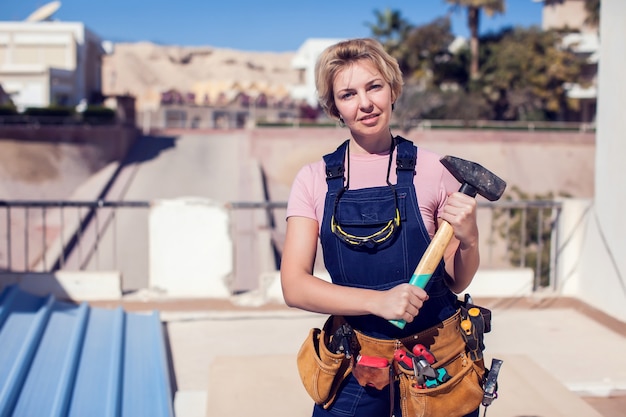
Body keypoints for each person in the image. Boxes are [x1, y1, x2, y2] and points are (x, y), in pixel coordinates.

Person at [280, 38, 483, 417]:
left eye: (374, 86)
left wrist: (470, 239)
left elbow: (456, 281)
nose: (365, 103)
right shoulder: (312, 180)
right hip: (358, 362)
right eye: (348, 94)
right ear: (333, 107)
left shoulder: (436, 169)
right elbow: (294, 285)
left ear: (392, 90)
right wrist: (377, 301)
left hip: (437, 362)